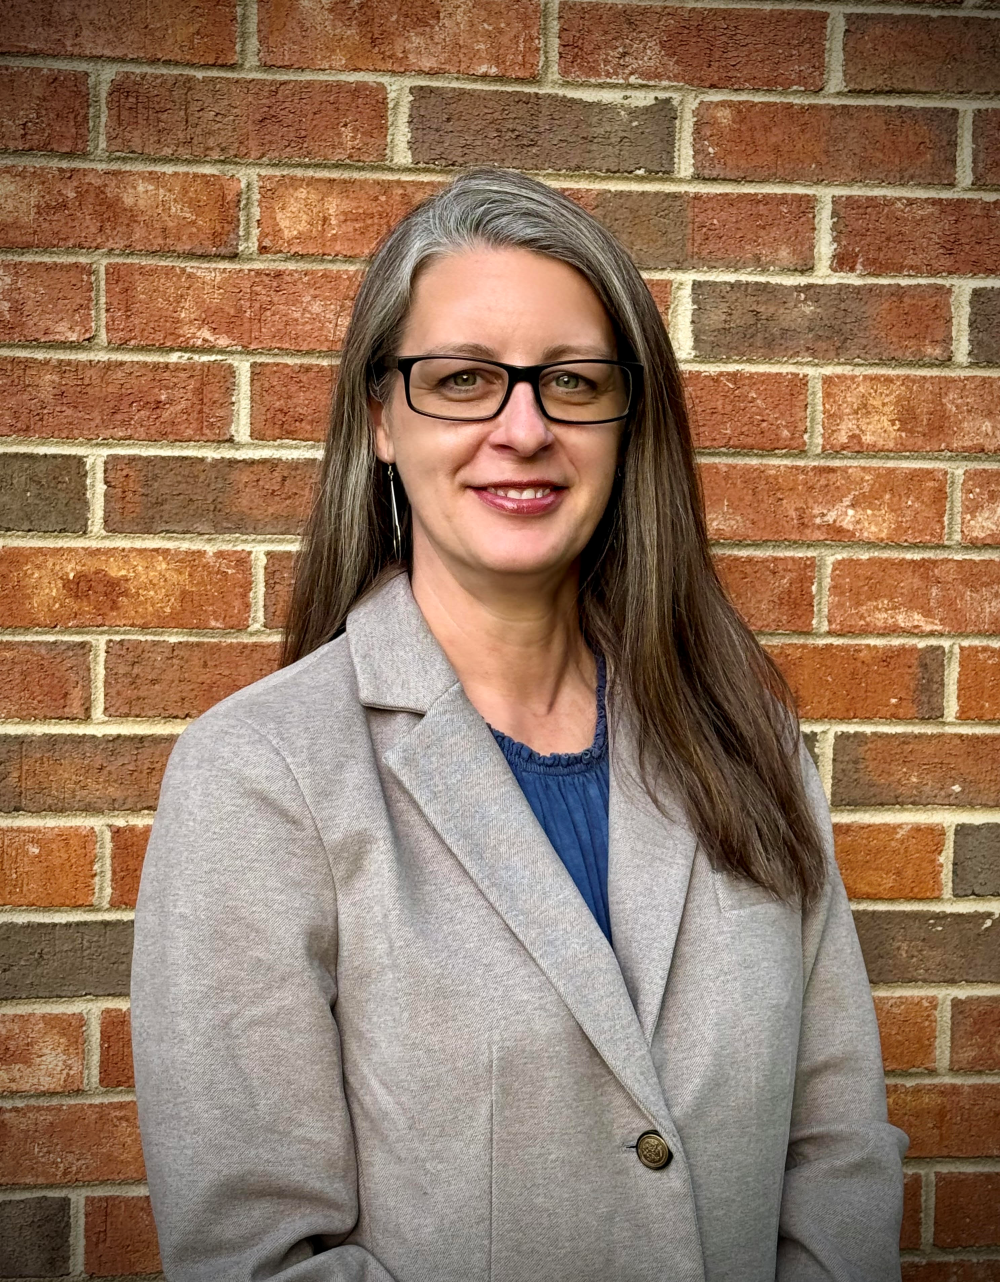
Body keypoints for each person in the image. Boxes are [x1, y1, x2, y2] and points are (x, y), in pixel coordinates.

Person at [131, 169, 907, 1282]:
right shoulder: (263, 773)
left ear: (626, 420)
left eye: (574, 382)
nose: (524, 427)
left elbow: (835, 1144)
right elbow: (260, 1255)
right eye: (461, 380)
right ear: (382, 421)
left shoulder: (745, 736)